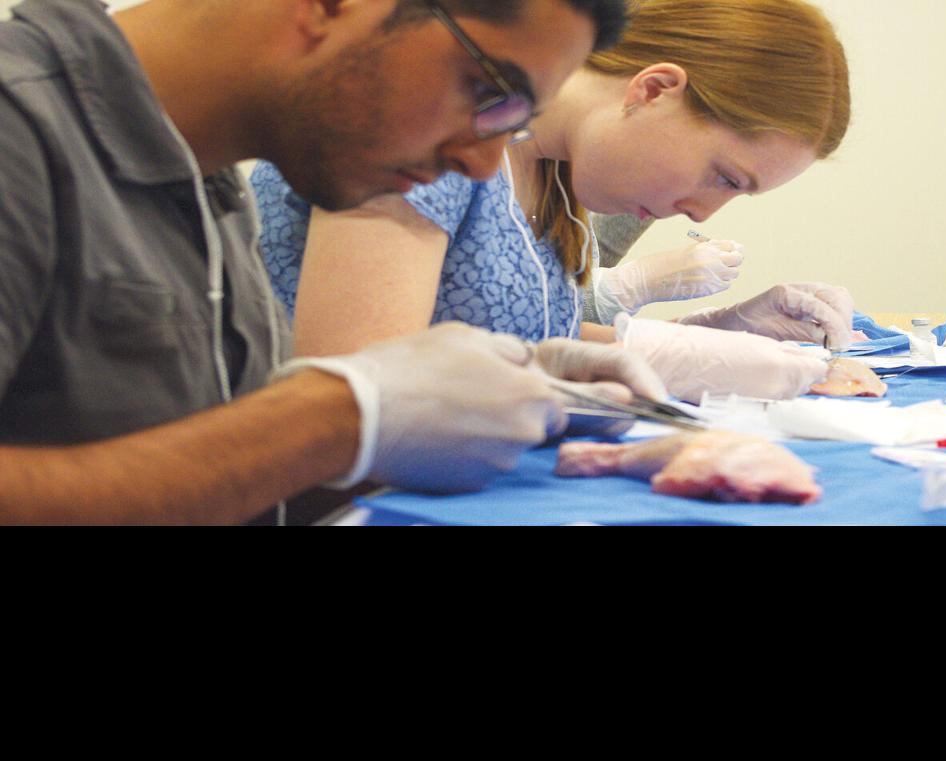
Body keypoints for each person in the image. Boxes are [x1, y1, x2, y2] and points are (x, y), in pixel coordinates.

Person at [0, 0, 660, 525]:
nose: (482, 162)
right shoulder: (20, 133)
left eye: (516, 122)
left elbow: (231, 489)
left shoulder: (210, 185)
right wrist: (335, 417)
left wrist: (494, 405)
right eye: (490, 92)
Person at [252, 0, 855, 404]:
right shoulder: (442, 136)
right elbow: (354, 398)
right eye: (724, 176)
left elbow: (521, 335)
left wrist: (704, 339)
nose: (702, 213)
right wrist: (663, 359)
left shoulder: (556, 175)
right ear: (654, 90)